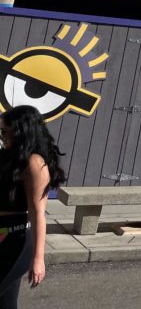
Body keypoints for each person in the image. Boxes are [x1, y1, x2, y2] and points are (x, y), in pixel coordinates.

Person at [0, 105, 65, 307]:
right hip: (2, 236)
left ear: (20, 131)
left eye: (5, 131)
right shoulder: (8, 156)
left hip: (15, 239)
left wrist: (38, 259)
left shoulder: (35, 164)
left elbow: (38, 213)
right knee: (6, 302)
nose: (2, 136)